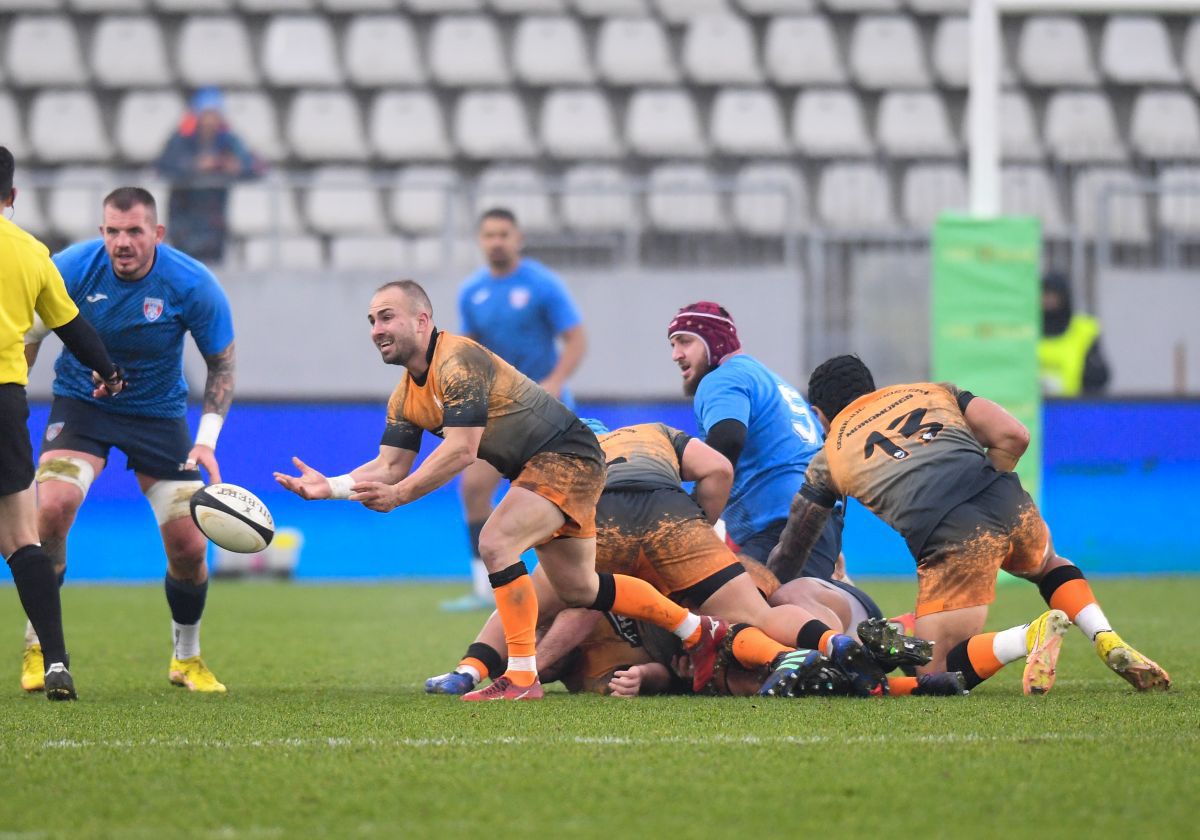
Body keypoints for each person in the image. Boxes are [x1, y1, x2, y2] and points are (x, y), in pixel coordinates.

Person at [273, 281, 727, 701]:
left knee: (496, 541)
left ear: (422, 320)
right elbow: (390, 465)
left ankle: (523, 677)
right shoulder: (405, 395)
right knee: (580, 588)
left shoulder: (458, 361)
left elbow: (461, 450)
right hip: (550, 464)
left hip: (566, 455)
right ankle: (696, 631)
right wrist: (329, 486)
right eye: (371, 321)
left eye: (387, 317)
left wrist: (402, 496)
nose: (376, 330)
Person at [425, 420, 920, 699]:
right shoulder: (654, 433)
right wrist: (700, 524)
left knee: (529, 594)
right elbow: (718, 469)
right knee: (761, 616)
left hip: (603, 522)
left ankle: (467, 672)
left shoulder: (564, 457)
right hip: (673, 516)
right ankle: (832, 646)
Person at [769, 354, 1170, 695]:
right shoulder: (931, 391)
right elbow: (1013, 435)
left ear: (820, 414)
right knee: (1048, 564)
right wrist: (985, 487)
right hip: (1005, 501)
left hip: (952, 538)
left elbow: (794, 545)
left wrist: (766, 601)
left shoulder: (829, 455)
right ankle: (1105, 636)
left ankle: (1027, 636)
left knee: (931, 671)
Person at [22, 186, 236, 694]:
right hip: (82, 405)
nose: (122, 242)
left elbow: (221, 363)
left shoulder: (192, 283)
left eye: (134, 231)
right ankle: (38, 649)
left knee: (188, 547)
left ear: (156, 234)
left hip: (158, 416)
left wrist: (206, 438)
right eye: (113, 231)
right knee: (50, 507)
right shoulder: (71, 267)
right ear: (102, 233)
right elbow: (28, 336)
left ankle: (186, 658)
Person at [0, 146, 126, 700]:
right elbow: (72, 326)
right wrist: (109, 372)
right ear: (13, 195)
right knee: (21, 538)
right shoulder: (30, 252)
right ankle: (53, 661)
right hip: (3, 401)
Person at [444, 207, 587, 612]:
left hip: (546, 412)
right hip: (498, 412)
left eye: (503, 234)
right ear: (479, 240)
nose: (496, 242)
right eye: (488, 235)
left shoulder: (542, 285)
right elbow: (468, 349)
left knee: (551, 499)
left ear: (518, 238)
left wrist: (556, 380)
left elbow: (576, 339)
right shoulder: (472, 291)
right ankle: (482, 587)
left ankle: (563, 583)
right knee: (473, 488)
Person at [667, 301, 843, 581]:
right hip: (815, 518)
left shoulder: (721, 379)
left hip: (781, 524)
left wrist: (685, 514)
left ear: (714, 342)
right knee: (790, 609)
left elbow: (727, 441)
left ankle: (881, 623)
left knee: (739, 610)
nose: (676, 354)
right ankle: (870, 619)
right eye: (673, 345)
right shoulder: (766, 378)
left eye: (685, 342)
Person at [156, 87, 261, 265]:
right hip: (184, 217)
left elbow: (256, 166)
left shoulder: (227, 140)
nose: (210, 120)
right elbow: (164, 166)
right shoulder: (182, 139)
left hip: (214, 220)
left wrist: (237, 167)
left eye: (214, 114)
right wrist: (194, 165)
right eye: (206, 114)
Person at [1038, 272, 1110, 397]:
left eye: (1053, 295)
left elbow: (1099, 376)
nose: (1048, 300)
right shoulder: (1025, 330)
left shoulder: (1084, 330)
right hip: (1029, 407)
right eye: (1044, 294)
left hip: (1072, 407)